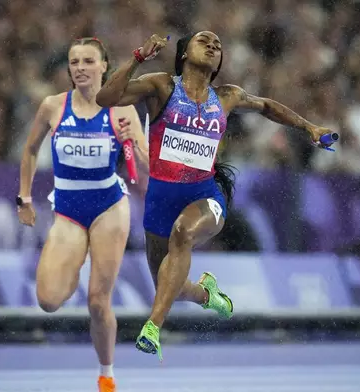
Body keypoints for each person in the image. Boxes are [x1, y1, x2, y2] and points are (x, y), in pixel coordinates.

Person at [96, 32, 333, 360]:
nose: (212, 46)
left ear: (220, 63)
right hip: (159, 201)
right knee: (173, 288)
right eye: (203, 41)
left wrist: (309, 128)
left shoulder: (226, 97)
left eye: (218, 45)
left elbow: (266, 106)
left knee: (184, 232)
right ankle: (207, 294)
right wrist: (138, 57)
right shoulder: (162, 86)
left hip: (205, 195)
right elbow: (105, 98)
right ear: (183, 54)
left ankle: (153, 326)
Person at [17, 37, 147, 392]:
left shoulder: (122, 108)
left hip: (109, 207)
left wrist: (131, 144)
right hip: (69, 209)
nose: (80, 68)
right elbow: (29, 151)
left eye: (89, 61)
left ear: (104, 66)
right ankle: (72, 268)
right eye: (74, 62)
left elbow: (145, 173)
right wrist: (24, 198)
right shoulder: (53, 106)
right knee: (47, 300)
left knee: (97, 301)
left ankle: (106, 374)